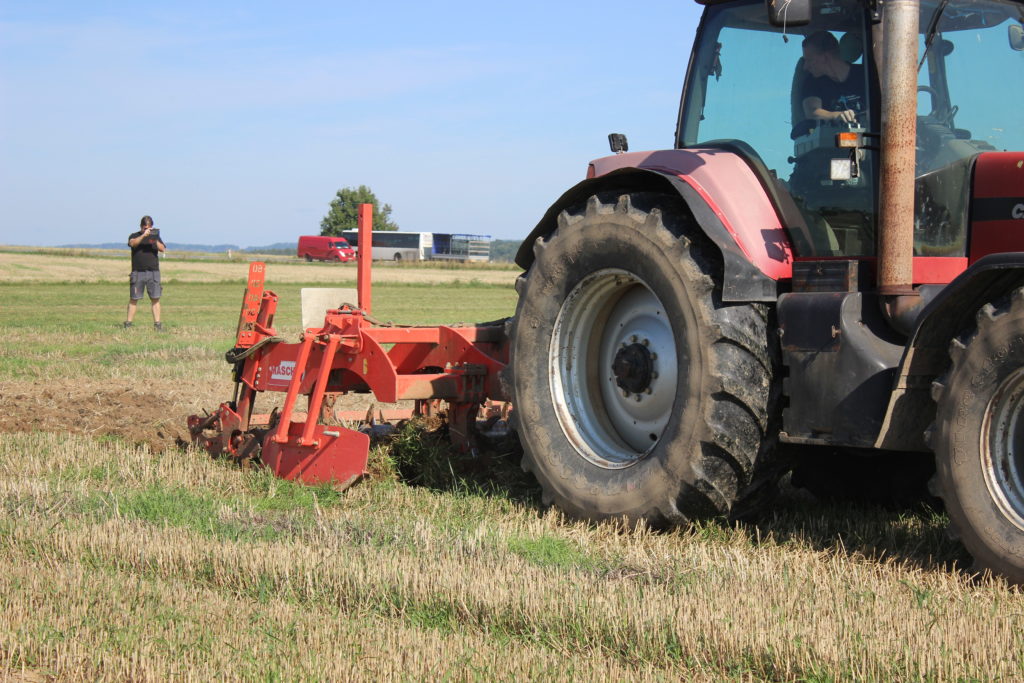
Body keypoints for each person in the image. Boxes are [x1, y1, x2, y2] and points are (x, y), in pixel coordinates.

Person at [800, 31, 867, 125]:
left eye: (809, 60)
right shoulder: (812, 82)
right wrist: (837, 116)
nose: (805, 67)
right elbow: (812, 112)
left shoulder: (866, 75)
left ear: (825, 57)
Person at [125, 215, 166, 330]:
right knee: (134, 298)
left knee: (155, 298)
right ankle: (128, 323)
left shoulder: (155, 236)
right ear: (141, 227)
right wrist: (144, 235)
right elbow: (132, 243)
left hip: (153, 272)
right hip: (138, 272)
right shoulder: (134, 235)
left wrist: (154, 239)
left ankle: (157, 324)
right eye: (145, 228)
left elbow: (162, 248)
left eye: (149, 228)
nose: (147, 229)